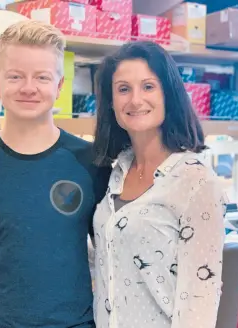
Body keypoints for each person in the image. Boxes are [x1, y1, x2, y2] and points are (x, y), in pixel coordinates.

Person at [0, 21, 110, 328]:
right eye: (15, 76)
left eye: (42, 77)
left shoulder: (91, 163)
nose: (28, 87)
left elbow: (112, 262)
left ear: (59, 86)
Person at [91, 41, 226, 328]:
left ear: (169, 94)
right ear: (111, 102)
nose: (135, 100)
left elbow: (199, 299)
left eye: (148, 86)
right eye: (123, 89)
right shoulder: (116, 174)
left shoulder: (196, 182)